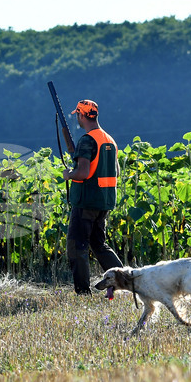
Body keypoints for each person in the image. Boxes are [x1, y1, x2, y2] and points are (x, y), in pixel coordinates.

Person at [61, 99, 125, 295]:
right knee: (99, 245)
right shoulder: (109, 139)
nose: (78, 119)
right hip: (104, 202)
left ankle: (82, 292)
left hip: (86, 201)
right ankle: (124, 281)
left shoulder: (87, 140)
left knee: (77, 246)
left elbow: (83, 173)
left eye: (78, 115)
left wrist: (68, 175)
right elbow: (117, 172)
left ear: (81, 115)